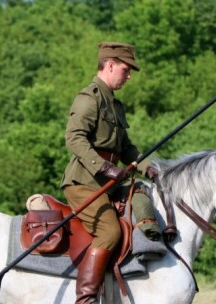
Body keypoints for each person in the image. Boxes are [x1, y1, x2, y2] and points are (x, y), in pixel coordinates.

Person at [60, 42, 160, 304]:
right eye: (126, 70)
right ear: (110, 64)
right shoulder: (89, 98)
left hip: (110, 183)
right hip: (83, 183)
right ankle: (85, 298)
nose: (129, 76)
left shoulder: (114, 105)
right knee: (110, 233)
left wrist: (147, 167)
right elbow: (74, 138)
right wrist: (105, 167)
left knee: (145, 202)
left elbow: (126, 148)